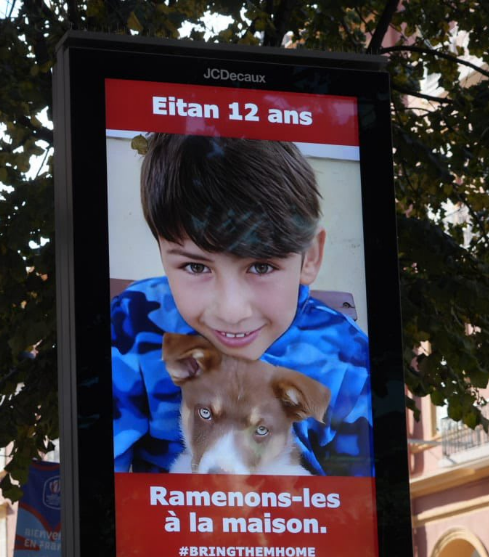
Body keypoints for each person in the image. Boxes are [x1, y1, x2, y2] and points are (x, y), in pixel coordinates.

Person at [111, 133, 373, 476]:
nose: (232, 312)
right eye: (196, 267)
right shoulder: (134, 322)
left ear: (309, 257)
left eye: (261, 267)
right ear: (161, 251)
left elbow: (361, 503)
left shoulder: (348, 363)